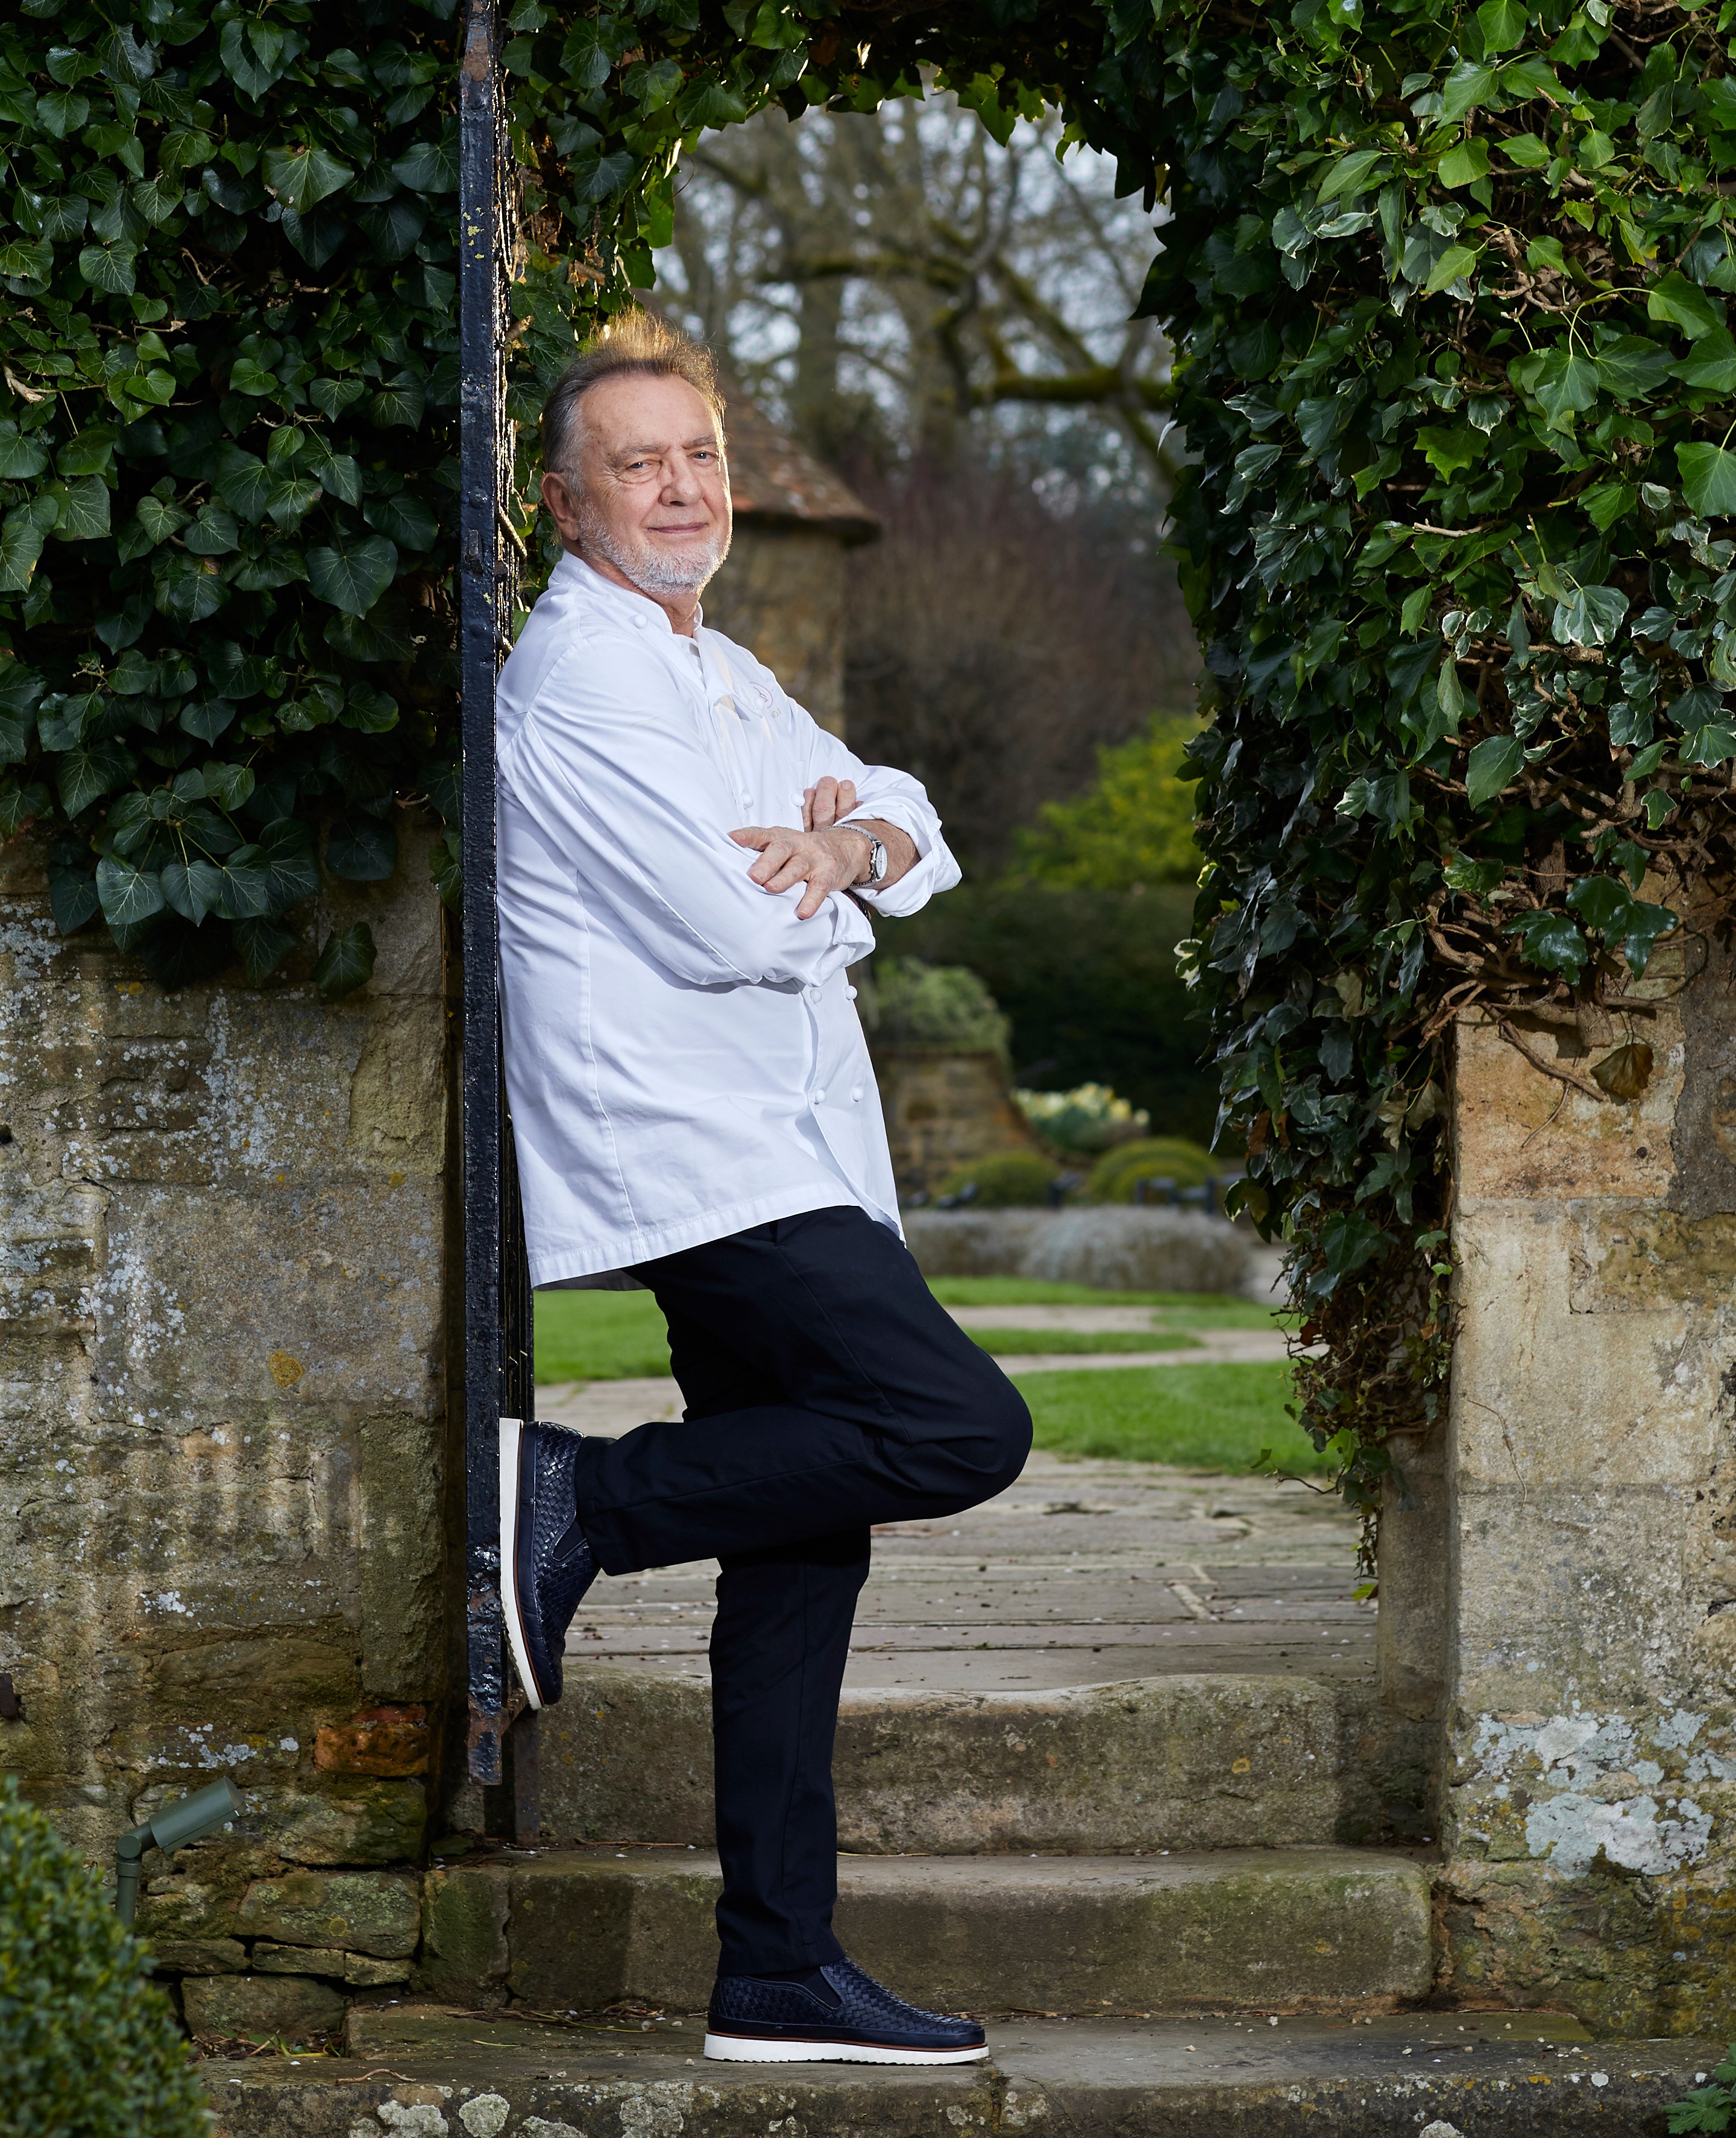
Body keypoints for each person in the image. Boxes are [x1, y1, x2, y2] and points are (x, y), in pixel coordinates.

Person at [491, 311, 1032, 2066]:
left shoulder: (714, 664)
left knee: (804, 1540)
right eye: (637, 463)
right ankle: (582, 1494)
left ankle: (776, 1965)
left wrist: (849, 840)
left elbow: (908, 814)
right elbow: (729, 921)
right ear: (568, 504)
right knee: (957, 1422)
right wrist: (819, 862)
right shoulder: (582, 674)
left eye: (699, 453)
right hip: (699, 1156)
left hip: (785, 1144)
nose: (681, 486)